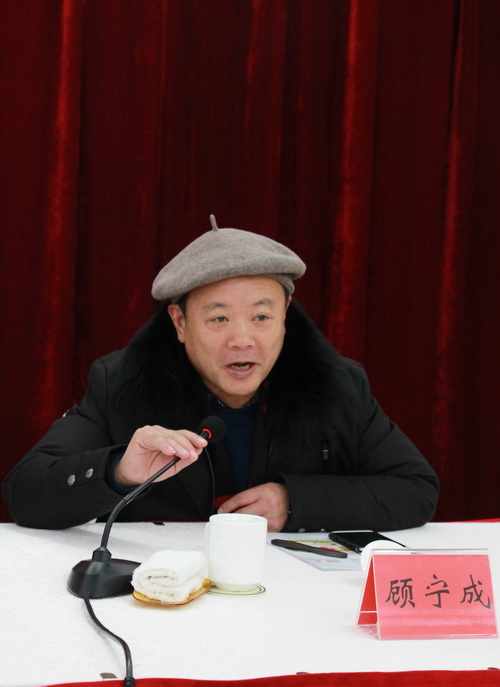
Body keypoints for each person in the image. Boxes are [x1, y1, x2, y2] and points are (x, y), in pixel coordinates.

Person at [2, 216, 439, 531]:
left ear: (286, 315)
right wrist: (118, 471)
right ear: (180, 323)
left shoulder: (337, 384)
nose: (242, 340)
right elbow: (25, 494)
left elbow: (415, 489)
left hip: (288, 595)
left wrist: (295, 501)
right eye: (219, 319)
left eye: (262, 317)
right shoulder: (121, 382)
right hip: (163, 595)